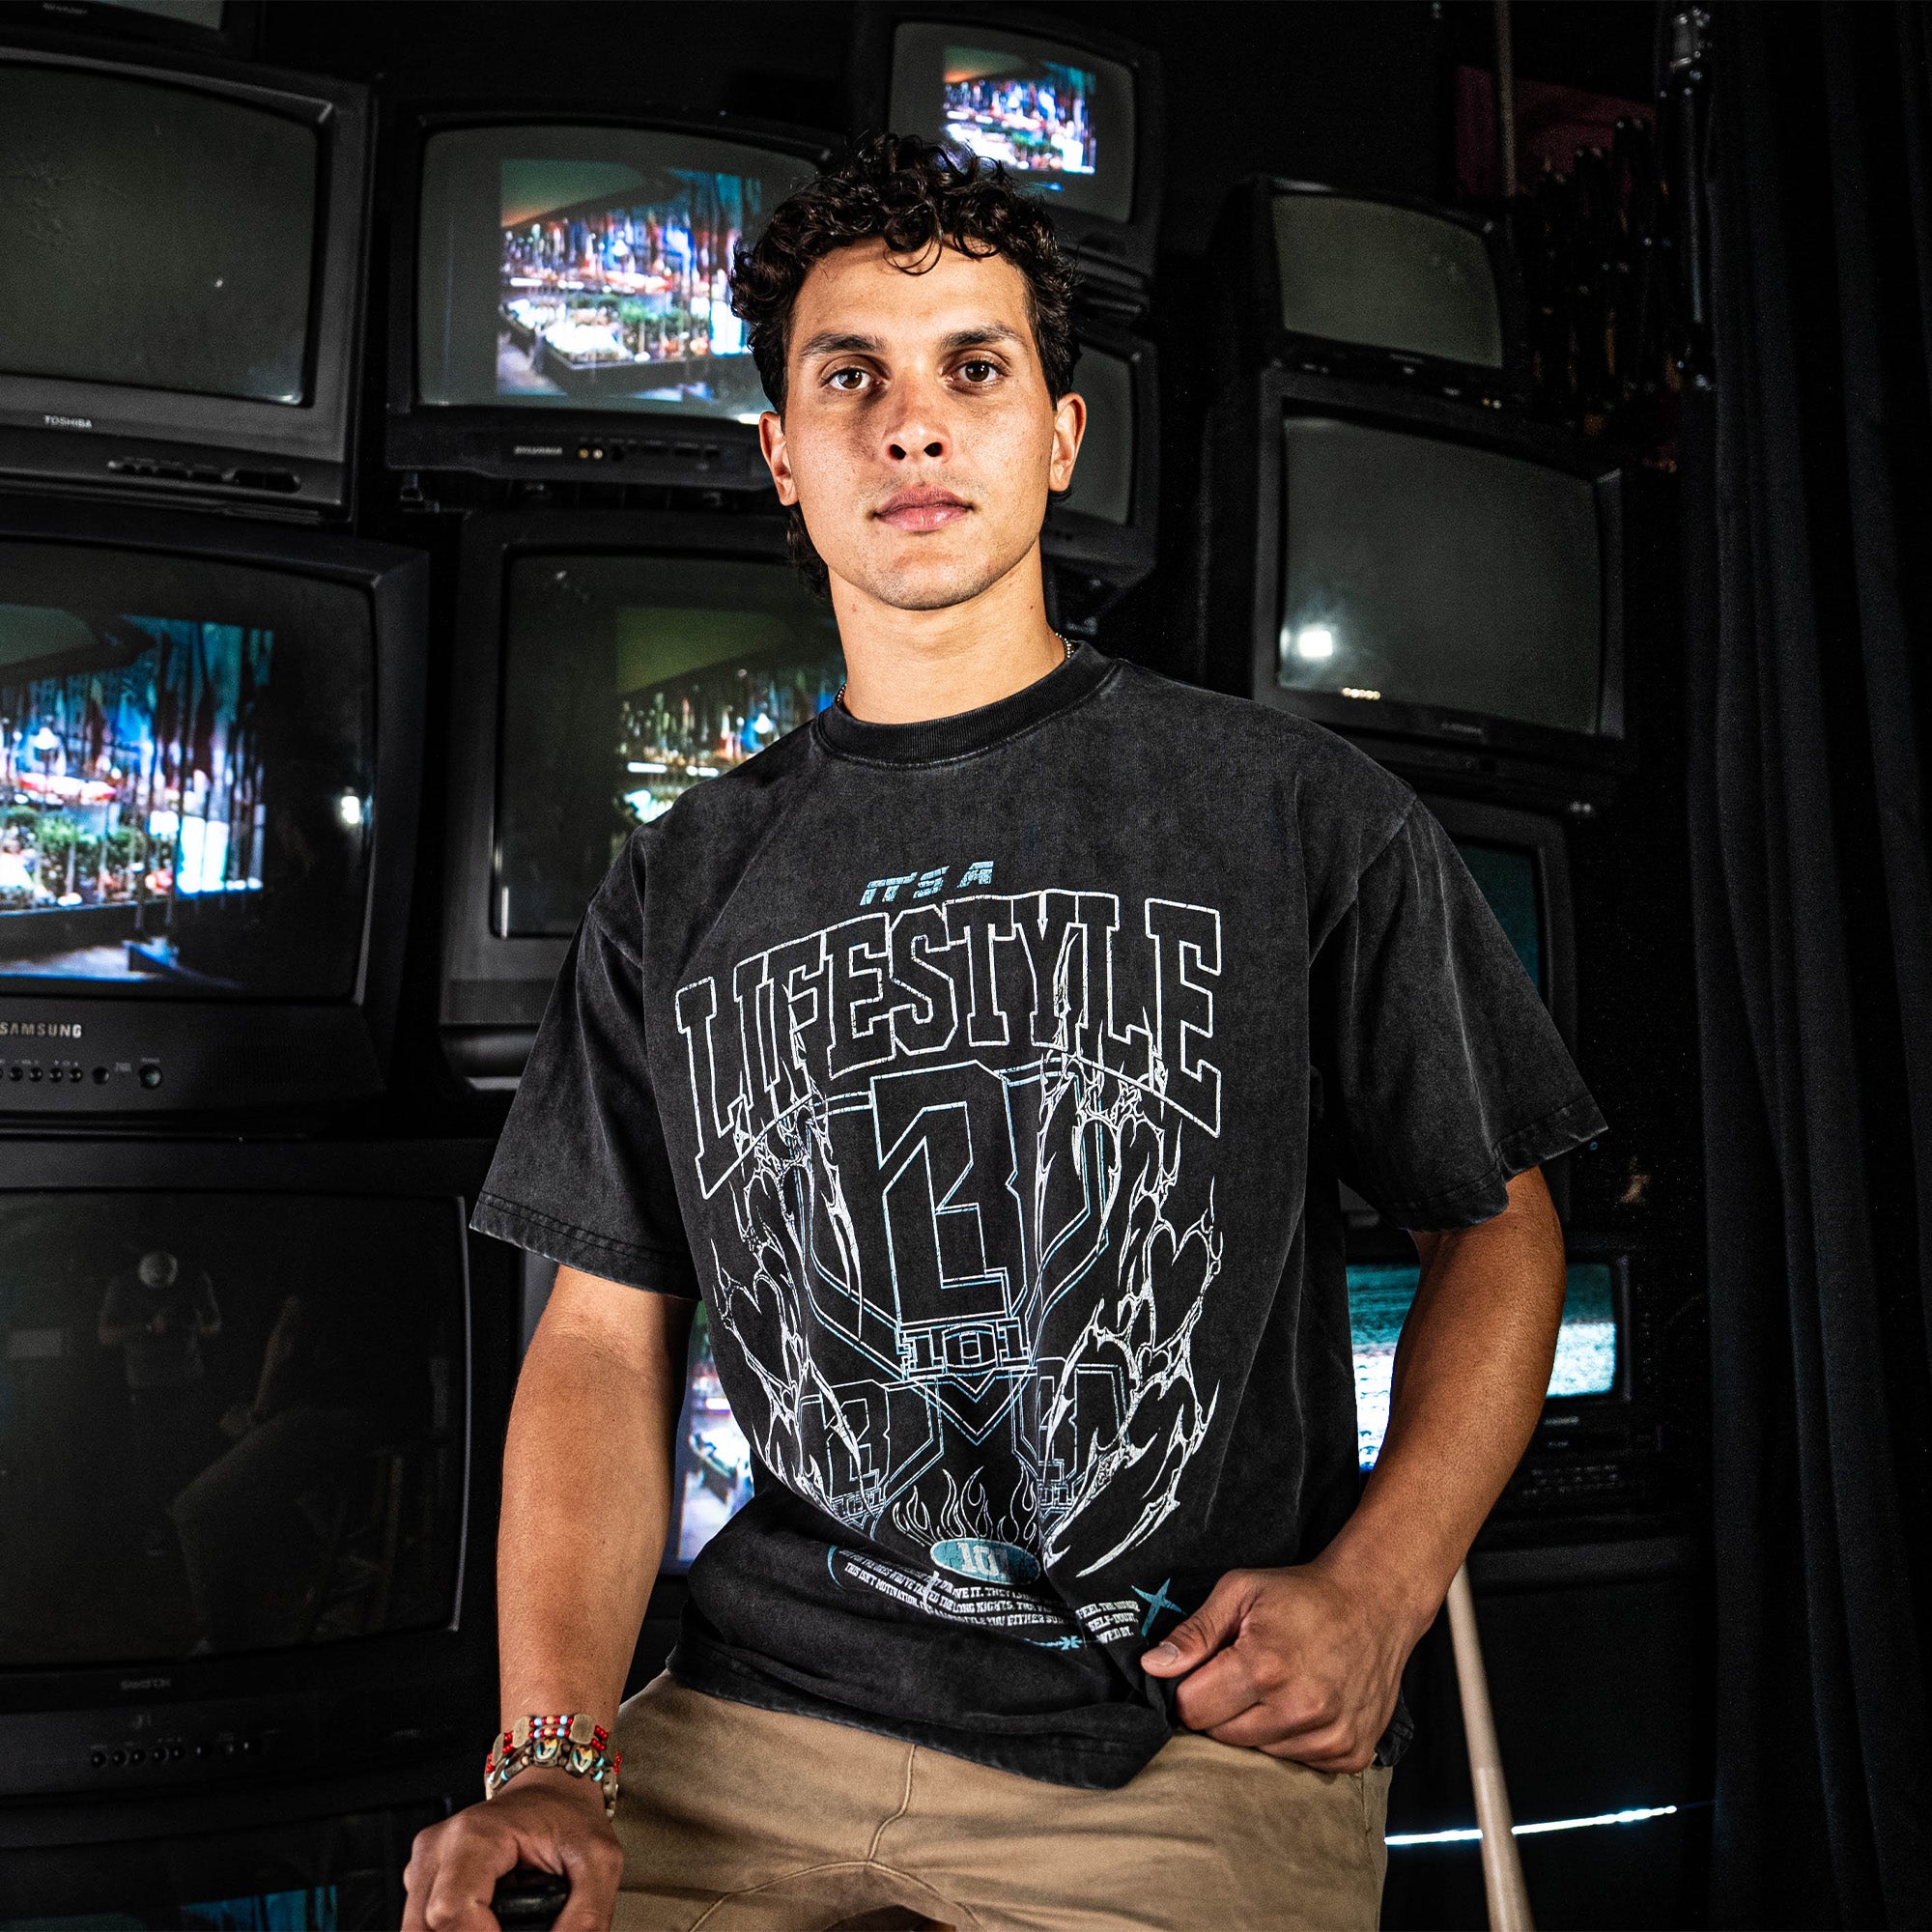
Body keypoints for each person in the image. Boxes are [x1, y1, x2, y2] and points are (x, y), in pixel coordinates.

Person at [403, 131, 1606, 1932]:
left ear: (1058, 438)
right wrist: (550, 1755)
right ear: (784, 464)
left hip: (1170, 1742)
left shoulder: (1290, 811)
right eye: (849, 379)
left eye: (973, 368)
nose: (910, 425)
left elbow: (1494, 1225)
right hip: (758, 1715)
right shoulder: (679, 887)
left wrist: (1378, 1589)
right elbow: (597, 1348)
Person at [98, 1246, 220, 1560]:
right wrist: (149, 1328)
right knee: (152, 1457)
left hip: (188, 1381)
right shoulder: (122, 1284)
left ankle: (193, 1528)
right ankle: (158, 1529)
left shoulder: (195, 1279)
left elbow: (214, 1324)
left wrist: (199, 1325)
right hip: (146, 1385)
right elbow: (106, 1334)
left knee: (191, 1453)